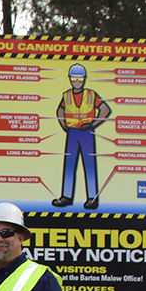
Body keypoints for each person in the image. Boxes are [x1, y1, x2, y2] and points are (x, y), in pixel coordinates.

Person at [52, 63, 112, 210]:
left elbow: (105, 109)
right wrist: (64, 125)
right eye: (74, 79)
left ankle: (92, 198)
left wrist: (93, 124)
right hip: (72, 132)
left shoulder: (90, 94)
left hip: (86, 132)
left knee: (89, 165)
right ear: (70, 79)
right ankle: (66, 197)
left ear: (84, 79)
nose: (77, 82)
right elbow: (60, 110)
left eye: (80, 79)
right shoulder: (66, 95)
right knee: (69, 164)